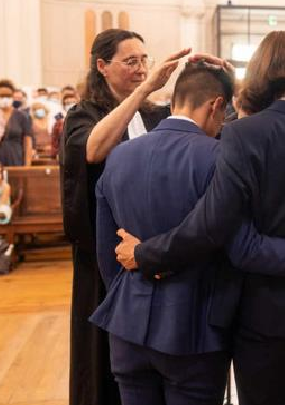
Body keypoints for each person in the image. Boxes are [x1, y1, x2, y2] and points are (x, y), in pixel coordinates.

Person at [115, 31, 285, 405]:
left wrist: (146, 254)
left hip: (264, 324)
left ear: (260, 73)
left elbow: (215, 229)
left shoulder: (240, 136)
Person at [63, 28, 189, 405]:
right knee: (104, 355)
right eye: (131, 61)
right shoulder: (84, 113)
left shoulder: (155, 114)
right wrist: (143, 90)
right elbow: (93, 150)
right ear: (102, 66)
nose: (140, 68)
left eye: (144, 60)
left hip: (152, 248)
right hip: (106, 252)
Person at [0, 79, 33, 166]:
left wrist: (27, 165)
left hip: (15, 158)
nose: (4, 98)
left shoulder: (23, 116)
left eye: (8, 95)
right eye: (1, 96)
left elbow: (27, 143)